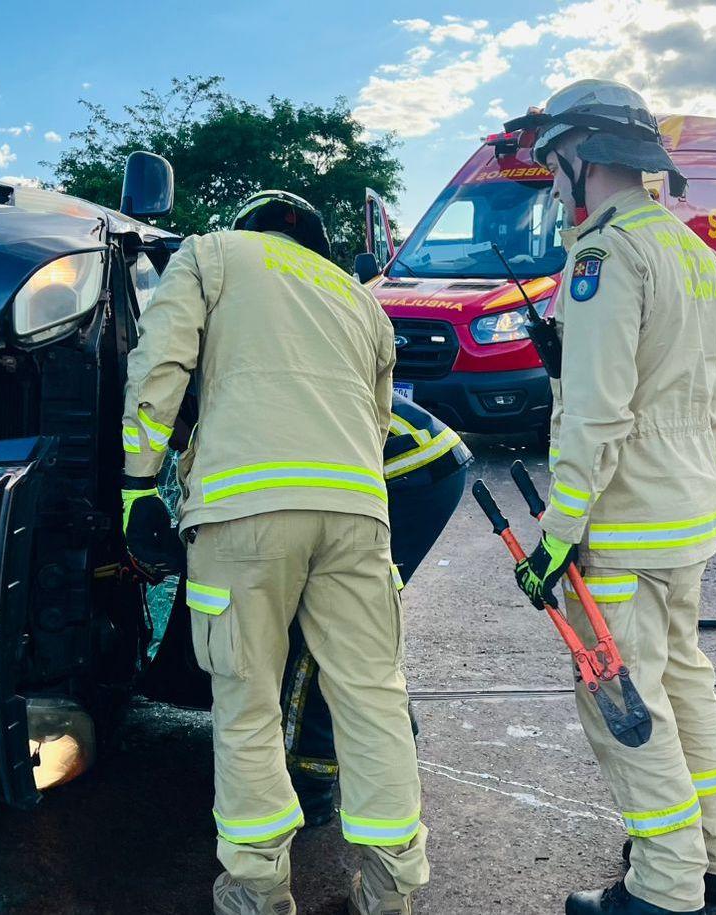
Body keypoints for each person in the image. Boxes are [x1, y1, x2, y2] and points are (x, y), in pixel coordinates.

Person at [121, 190, 429, 915]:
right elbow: (377, 422)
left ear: (249, 228)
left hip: (243, 509)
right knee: (372, 693)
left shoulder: (212, 253)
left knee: (248, 699)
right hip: (357, 511)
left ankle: (259, 890)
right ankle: (393, 889)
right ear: (317, 243)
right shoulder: (361, 302)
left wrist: (139, 483)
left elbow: (160, 364)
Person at [505, 80, 716, 915]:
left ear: (580, 158)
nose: (552, 181)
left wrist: (559, 532)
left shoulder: (603, 256)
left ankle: (664, 888)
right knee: (683, 685)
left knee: (623, 704)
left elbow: (600, 414)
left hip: (624, 523)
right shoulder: (692, 252)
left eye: (552, 164)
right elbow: (688, 394)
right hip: (685, 515)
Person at [284, 394, 470, 824]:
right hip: (421, 463)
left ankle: (310, 781)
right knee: (364, 618)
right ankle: (393, 724)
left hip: (414, 476)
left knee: (323, 626)